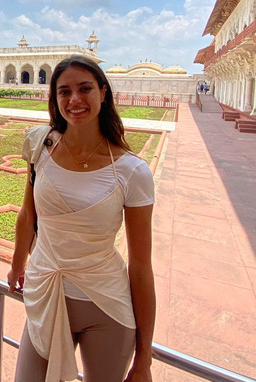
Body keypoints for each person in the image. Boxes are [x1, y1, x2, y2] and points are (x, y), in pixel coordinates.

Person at [9, 55, 156, 382]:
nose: (74, 99)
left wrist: (145, 359)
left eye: (84, 88)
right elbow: (27, 213)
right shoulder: (40, 145)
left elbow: (141, 266)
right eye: (64, 92)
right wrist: (18, 262)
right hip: (46, 290)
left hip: (105, 306)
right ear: (55, 98)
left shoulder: (132, 172)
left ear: (103, 93)